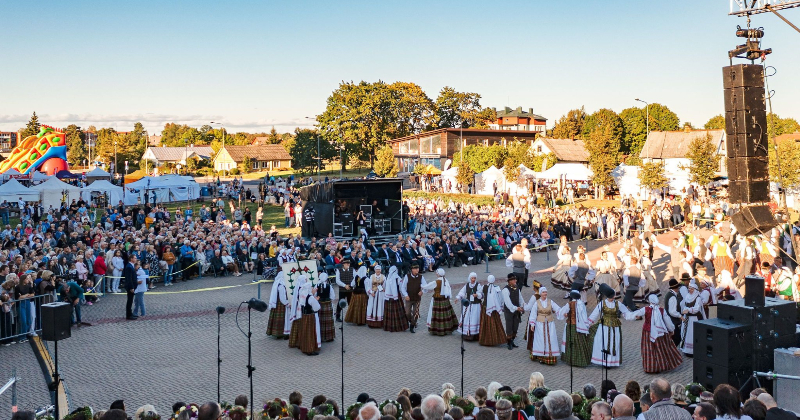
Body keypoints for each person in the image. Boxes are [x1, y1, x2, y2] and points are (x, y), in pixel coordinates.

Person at [627, 294, 683, 373]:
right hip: (660, 333)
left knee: (649, 350)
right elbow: (668, 322)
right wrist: (671, 329)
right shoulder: (661, 310)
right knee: (661, 349)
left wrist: (627, 314)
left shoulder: (646, 309)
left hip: (648, 332)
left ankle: (651, 368)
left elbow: (636, 314)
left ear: (650, 301)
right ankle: (662, 365)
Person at [587, 283, 633, 367]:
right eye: (611, 297)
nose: (613, 298)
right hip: (604, 326)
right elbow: (594, 314)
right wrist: (587, 324)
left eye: (613, 296)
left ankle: (611, 361)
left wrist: (634, 315)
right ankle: (603, 361)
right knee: (603, 342)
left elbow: (626, 313)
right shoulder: (602, 303)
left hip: (614, 327)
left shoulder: (618, 304)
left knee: (613, 342)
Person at [526, 286, 561, 364]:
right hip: (540, 324)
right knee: (541, 340)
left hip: (549, 323)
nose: (545, 294)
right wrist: (532, 324)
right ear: (541, 293)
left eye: (546, 292)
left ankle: (550, 356)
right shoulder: (537, 303)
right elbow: (533, 314)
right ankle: (541, 356)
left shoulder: (550, 302)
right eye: (543, 292)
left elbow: (557, 309)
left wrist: (562, 312)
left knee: (550, 339)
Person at [557, 290, 591, 367]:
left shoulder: (569, 304)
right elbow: (584, 315)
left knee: (571, 341)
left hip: (571, 325)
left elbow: (561, 313)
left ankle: (571, 359)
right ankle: (581, 359)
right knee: (579, 341)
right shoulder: (581, 304)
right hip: (580, 326)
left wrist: (564, 314)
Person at [288, 276, 321, 355]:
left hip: (304, 316)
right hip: (310, 316)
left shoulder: (302, 296)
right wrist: (315, 299)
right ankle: (309, 349)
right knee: (310, 333)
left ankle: (304, 347)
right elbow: (317, 307)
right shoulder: (310, 298)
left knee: (305, 332)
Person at [422, 268, 458, 336]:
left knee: (436, 314)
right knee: (445, 314)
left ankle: (437, 329)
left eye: (437, 273)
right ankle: (447, 328)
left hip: (437, 300)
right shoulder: (445, 280)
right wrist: (449, 297)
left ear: (439, 274)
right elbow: (449, 289)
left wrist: (422, 286)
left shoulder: (437, 281)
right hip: (444, 300)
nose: (436, 274)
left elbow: (428, 286)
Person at [479, 275, 506, 347]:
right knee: (495, 323)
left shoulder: (484, 287)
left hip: (485, 307)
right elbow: (500, 298)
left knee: (485, 323)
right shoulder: (497, 288)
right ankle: (495, 339)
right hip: (494, 309)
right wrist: (501, 307)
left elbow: (480, 295)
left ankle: (485, 339)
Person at [679, 280, 705, 357]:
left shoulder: (698, 298)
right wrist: (684, 310)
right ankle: (687, 350)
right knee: (686, 334)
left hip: (695, 319)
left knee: (693, 334)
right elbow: (683, 305)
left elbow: (697, 308)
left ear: (695, 290)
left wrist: (689, 310)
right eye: (689, 288)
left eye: (691, 289)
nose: (690, 290)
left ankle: (695, 351)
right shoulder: (687, 296)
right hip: (687, 318)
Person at [456, 272, 482, 341]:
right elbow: (462, 292)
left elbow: (481, 293)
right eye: (472, 278)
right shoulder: (467, 285)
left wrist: (477, 295)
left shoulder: (478, 285)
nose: (473, 279)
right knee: (467, 318)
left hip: (476, 305)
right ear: (470, 278)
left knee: (475, 318)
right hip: (468, 305)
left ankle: (475, 334)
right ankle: (466, 333)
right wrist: (458, 297)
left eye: (474, 278)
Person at [502, 273, 525, 350]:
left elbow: (520, 298)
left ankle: (512, 340)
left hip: (516, 311)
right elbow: (508, 303)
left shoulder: (517, 288)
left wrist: (523, 306)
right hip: (509, 311)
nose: (515, 280)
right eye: (513, 279)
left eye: (515, 279)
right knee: (509, 326)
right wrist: (515, 308)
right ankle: (509, 342)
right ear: (509, 281)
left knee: (515, 326)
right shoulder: (505, 290)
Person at [401, 263, 427, 333]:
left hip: (417, 298)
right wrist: (406, 295)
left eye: (418, 268)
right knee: (407, 313)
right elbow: (403, 287)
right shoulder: (407, 276)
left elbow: (425, 286)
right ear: (412, 269)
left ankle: (412, 326)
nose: (417, 270)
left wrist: (422, 291)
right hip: (409, 298)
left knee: (416, 312)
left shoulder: (421, 277)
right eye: (415, 269)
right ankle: (412, 322)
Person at [383, 265, 409, 332]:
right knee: (397, 312)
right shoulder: (398, 278)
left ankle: (389, 326)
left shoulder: (388, 277)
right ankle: (398, 326)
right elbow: (401, 287)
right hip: (396, 296)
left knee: (389, 312)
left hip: (388, 297)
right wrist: (404, 294)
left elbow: (384, 286)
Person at [267, 268, 290, 339]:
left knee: (276, 319)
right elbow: (282, 298)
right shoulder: (281, 286)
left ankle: (276, 333)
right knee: (283, 319)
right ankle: (282, 333)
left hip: (277, 304)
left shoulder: (277, 284)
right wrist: (287, 303)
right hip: (281, 305)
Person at [315, 273, 336, 342]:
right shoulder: (329, 286)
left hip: (319, 304)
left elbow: (314, 295)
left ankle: (320, 335)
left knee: (320, 320)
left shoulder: (317, 285)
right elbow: (332, 296)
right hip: (327, 304)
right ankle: (329, 337)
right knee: (328, 320)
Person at [663, 279, 683, 347]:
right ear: (676, 288)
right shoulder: (672, 297)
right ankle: (671, 353)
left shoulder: (669, 294)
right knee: (677, 338)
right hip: (672, 322)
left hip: (670, 321)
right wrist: (680, 316)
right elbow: (672, 311)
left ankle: (670, 352)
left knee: (674, 338)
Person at [123, 255, 138, 320]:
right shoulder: (129, 267)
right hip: (130, 287)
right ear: (131, 259)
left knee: (131, 300)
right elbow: (129, 278)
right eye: (135, 258)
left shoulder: (131, 266)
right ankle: (128, 315)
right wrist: (131, 287)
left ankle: (130, 313)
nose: (136, 259)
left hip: (132, 286)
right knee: (129, 301)